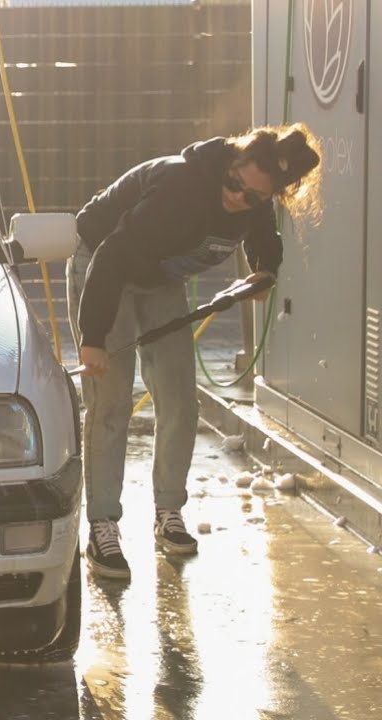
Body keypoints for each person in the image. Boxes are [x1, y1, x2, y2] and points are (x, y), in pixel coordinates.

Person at [67, 123, 322, 579]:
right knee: (111, 402)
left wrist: (265, 270)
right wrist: (93, 337)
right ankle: (102, 525)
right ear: (232, 163)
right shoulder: (180, 187)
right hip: (105, 264)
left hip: (159, 277)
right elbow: (110, 257)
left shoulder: (254, 202)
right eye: (234, 185)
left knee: (180, 398)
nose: (237, 199)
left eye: (253, 198)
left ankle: (169, 513)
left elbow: (262, 238)